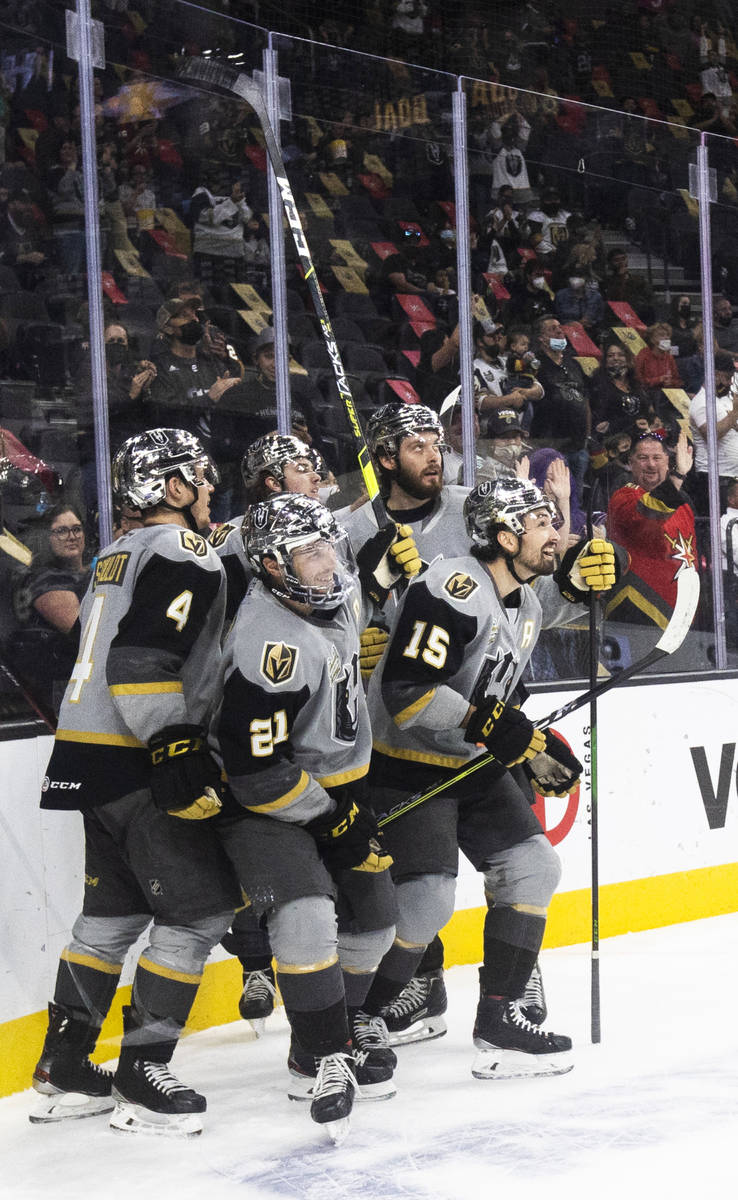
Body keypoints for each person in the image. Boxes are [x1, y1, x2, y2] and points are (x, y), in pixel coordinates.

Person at [360, 477, 617, 1079]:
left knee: (533, 866)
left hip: (470, 764)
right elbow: (405, 694)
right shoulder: (451, 589)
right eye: (542, 525)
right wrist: (492, 726)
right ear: (505, 537)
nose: (557, 535)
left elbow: (570, 595)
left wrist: (596, 570)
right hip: (409, 767)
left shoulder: (523, 594)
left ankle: (499, 1018)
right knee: (425, 901)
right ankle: (363, 1015)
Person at [31, 428, 238, 1136]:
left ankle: (64, 1067)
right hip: (138, 755)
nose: (210, 490)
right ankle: (144, 1069)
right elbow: (142, 660)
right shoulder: (183, 549)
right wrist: (175, 747)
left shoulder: (115, 552)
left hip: (86, 756)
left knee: (111, 919)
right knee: (199, 913)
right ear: (174, 489)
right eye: (201, 479)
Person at [211, 494, 418, 1140]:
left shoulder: (333, 593)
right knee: (306, 916)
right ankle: (326, 1057)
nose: (328, 563)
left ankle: (331, 1027)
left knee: (379, 919)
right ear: (271, 566)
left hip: (336, 793)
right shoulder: (265, 643)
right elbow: (257, 771)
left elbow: (356, 614)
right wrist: (334, 822)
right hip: (267, 806)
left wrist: (384, 577)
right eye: (310, 553)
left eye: (328, 547)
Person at [606, 431, 696, 632]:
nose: (651, 464)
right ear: (631, 462)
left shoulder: (684, 505)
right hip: (637, 604)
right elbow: (648, 514)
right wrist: (678, 476)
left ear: (667, 462)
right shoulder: (623, 496)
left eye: (657, 458)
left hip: (682, 609)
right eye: (643, 458)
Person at [13, 504, 91, 715]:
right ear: (47, 537)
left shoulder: (92, 570)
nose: (71, 536)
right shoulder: (46, 579)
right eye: (61, 531)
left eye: (76, 529)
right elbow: (83, 631)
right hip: (64, 686)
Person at [530, 315, 592, 491]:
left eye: (560, 328)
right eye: (552, 329)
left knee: (576, 497)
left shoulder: (573, 364)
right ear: (541, 338)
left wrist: (587, 436)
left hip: (578, 446)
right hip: (551, 445)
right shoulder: (536, 364)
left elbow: (584, 400)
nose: (559, 331)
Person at [688, 352, 738, 516]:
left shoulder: (719, 402)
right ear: (715, 375)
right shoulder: (702, 402)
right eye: (727, 377)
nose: (730, 382)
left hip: (728, 477)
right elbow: (712, 434)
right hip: (713, 479)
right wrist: (735, 411)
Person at [589, 341, 653, 438]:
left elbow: (647, 409)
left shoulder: (636, 383)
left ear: (627, 359)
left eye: (621, 355)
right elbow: (600, 420)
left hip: (639, 436)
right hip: (611, 439)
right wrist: (632, 423)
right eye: (610, 355)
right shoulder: (598, 383)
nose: (615, 358)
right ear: (605, 360)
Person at [634, 322, 683, 394]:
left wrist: (671, 382)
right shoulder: (643, 355)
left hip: (667, 394)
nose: (666, 338)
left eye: (668, 335)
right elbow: (638, 380)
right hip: (648, 394)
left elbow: (678, 380)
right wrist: (658, 380)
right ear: (652, 340)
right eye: (662, 335)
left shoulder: (669, 357)